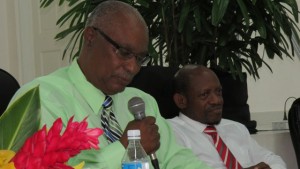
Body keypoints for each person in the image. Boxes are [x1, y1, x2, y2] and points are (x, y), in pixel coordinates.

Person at [7, 1, 212, 169]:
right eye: (124, 52)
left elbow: (180, 161)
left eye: (140, 59)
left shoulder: (141, 103)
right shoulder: (41, 99)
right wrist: (126, 148)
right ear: (90, 38)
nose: (132, 67)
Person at [167, 65, 287, 169]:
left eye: (218, 92)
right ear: (181, 100)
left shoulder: (235, 128)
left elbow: (272, 159)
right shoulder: (170, 133)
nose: (216, 100)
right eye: (204, 94)